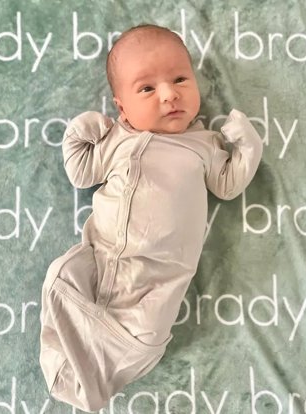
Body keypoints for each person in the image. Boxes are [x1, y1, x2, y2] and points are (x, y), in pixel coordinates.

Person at [39, 24, 263, 412]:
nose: (169, 94)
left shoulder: (204, 145)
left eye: (180, 79)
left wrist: (247, 146)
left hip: (161, 277)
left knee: (147, 338)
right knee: (62, 276)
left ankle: (95, 376)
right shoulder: (116, 140)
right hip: (104, 257)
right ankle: (74, 363)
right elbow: (81, 172)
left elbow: (228, 184)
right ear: (122, 106)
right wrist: (79, 133)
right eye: (147, 88)